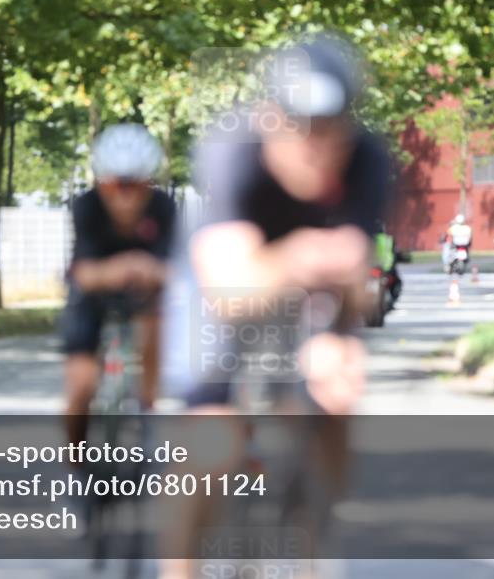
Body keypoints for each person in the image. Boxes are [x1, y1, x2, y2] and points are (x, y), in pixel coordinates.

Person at [159, 33, 387, 577]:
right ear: (268, 117)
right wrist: (305, 255)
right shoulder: (233, 152)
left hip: (311, 295)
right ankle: (179, 568)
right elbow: (230, 290)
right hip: (221, 291)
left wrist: (336, 338)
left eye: (329, 130)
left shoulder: (369, 160)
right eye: (297, 127)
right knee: (212, 442)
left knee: (334, 402)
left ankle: (312, 546)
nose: (314, 144)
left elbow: (360, 281)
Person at [62, 123, 175, 446]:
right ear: (102, 183)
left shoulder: (163, 207)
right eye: (114, 186)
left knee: (157, 321)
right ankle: (76, 469)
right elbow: (83, 272)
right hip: (91, 299)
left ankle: (148, 409)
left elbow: (173, 269)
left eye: (135, 186)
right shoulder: (87, 206)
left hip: (144, 295)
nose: (124, 196)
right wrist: (126, 267)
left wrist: (149, 272)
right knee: (81, 385)